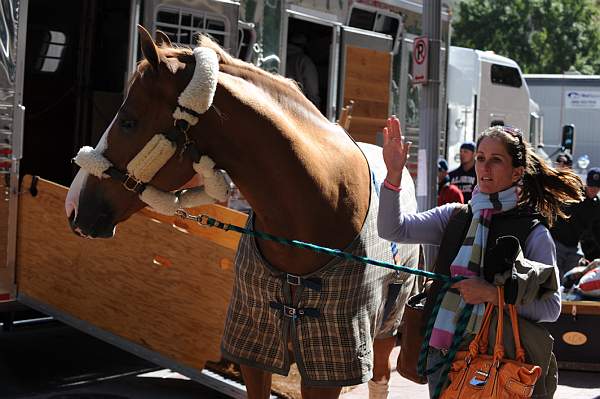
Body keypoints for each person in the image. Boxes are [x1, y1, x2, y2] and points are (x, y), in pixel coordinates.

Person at [378, 117, 582, 398]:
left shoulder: (533, 233)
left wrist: (491, 294)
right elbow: (392, 228)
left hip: (495, 360)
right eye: (481, 157)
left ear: (516, 172)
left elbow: (551, 308)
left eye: (496, 160)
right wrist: (393, 174)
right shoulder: (455, 217)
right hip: (443, 355)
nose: (484, 167)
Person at [551, 167, 600, 278]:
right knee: (555, 277)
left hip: (574, 247)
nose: (594, 190)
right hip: (557, 243)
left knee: (570, 278)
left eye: (597, 187)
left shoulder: (596, 206)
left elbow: (597, 230)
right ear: (587, 183)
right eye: (592, 186)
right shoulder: (573, 194)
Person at [286, 33, 320, 108]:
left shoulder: (281, 56)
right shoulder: (304, 61)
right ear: (303, 46)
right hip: (298, 106)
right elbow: (312, 91)